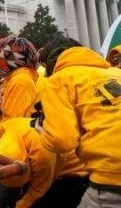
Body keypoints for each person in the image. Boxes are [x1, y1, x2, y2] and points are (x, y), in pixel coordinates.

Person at [38, 37, 121, 207]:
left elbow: (62, 140)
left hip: (111, 178)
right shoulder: (116, 73)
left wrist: (43, 133)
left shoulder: (58, 80)